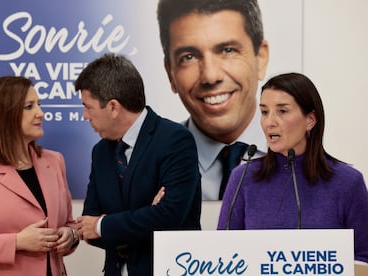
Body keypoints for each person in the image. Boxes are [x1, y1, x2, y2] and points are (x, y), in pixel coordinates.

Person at [217, 72, 368, 263]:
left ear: (310, 120)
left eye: (282, 111)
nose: (270, 122)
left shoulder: (348, 182)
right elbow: (221, 254)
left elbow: (364, 257)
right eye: (264, 112)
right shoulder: (243, 177)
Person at [74, 53, 201, 276]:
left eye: (88, 107)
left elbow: (170, 216)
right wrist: (145, 218)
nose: (85, 116)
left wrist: (104, 226)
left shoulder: (175, 140)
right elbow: (88, 224)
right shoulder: (101, 152)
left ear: (113, 107)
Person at [0, 76, 78, 275]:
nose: (41, 113)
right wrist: (16, 242)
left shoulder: (55, 162)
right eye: (29, 106)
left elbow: (69, 223)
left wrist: (70, 235)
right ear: (4, 113)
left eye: (39, 104)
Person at [157, 0, 270, 200]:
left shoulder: (305, 160)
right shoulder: (148, 165)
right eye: (189, 56)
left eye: (228, 50)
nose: (210, 76)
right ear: (169, 74)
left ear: (260, 58)